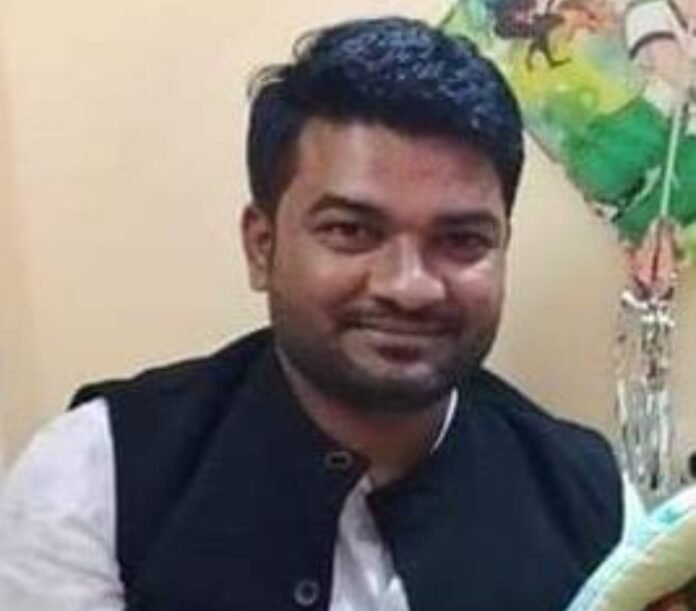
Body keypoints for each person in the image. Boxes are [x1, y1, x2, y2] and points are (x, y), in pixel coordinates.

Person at [0, 16, 627, 611]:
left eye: (462, 240)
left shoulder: (594, 501)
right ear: (262, 246)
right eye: (351, 230)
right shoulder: (96, 475)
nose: (409, 287)